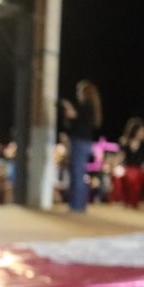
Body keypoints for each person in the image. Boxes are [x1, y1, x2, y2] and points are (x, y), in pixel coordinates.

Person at [60, 80, 102, 212]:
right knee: (78, 173)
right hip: (83, 142)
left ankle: (77, 206)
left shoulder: (86, 107)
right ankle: (78, 205)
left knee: (77, 173)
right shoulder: (90, 107)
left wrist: (71, 113)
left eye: (79, 91)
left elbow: (78, 124)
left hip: (80, 142)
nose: (77, 94)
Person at [118, 117, 144, 208]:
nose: (143, 133)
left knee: (136, 177)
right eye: (141, 131)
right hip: (128, 168)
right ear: (135, 131)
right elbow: (121, 157)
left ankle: (135, 202)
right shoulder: (125, 143)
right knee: (125, 175)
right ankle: (126, 201)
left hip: (140, 170)